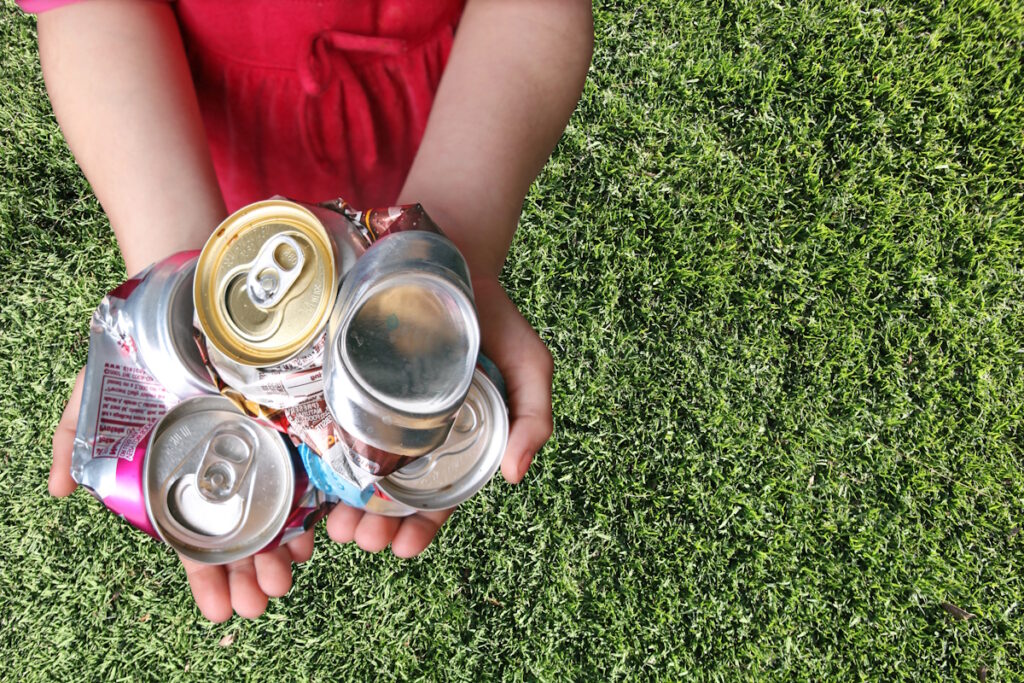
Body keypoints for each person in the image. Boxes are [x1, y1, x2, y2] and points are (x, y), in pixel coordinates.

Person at [29, 0, 593, 622]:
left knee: (303, 260)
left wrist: (452, 241)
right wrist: (179, 281)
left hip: (453, 109)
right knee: (267, 258)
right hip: (188, 123)